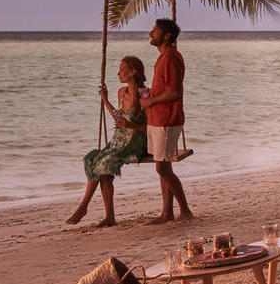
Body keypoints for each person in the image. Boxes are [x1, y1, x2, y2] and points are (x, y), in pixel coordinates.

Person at [66, 56, 148, 227]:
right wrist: (105, 99)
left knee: (104, 163)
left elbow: (148, 126)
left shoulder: (145, 94)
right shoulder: (121, 92)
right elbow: (118, 118)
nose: (118, 72)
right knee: (92, 158)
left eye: (122, 69)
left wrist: (131, 124)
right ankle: (109, 217)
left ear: (134, 72)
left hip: (135, 142)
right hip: (118, 141)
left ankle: (83, 207)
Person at [141, 17, 193, 223]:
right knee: (164, 167)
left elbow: (174, 92)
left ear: (167, 35)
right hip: (158, 119)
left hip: (167, 119)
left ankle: (185, 210)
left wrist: (151, 101)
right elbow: (166, 89)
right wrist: (149, 95)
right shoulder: (164, 57)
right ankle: (167, 212)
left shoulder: (170, 57)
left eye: (155, 30)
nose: (150, 33)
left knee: (162, 168)